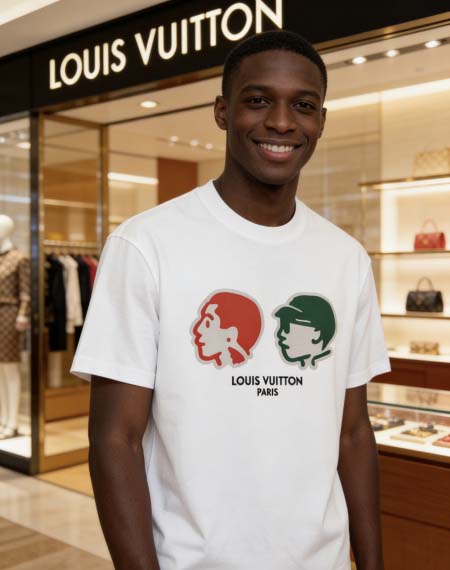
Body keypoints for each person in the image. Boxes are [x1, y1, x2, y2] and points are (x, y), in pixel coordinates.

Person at [71, 30, 391, 570]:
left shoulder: (347, 259)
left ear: (321, 121)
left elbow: (354, 434)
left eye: (303, 106)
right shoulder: (146, 245)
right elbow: (114, 440)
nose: (282, 122)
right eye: (259, 100)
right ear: (223, 112)